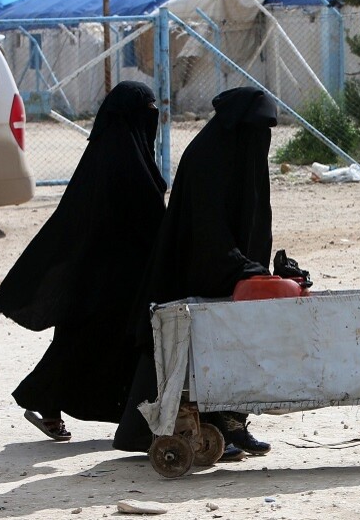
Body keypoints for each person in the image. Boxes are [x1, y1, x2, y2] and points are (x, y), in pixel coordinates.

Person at [0, 81, 167, 441]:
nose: (152, 118)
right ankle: (45, 401)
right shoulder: (121, 159)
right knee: (87, 344)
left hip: (108, 275)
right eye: (146, 108)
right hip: (107, 278)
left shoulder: (109, 153)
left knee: (95, 345)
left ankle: (113, 415)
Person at [113, 86, 277, 460]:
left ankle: (232, 424)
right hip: (198, 272)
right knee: (194, 352)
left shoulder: (244, 154)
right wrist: (239, 266)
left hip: (235, 272)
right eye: (257, 130)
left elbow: (255, 222)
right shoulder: (208, 156)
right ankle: (202, 429)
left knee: (239, 346)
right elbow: (206, 231)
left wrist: (260, 270)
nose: (261, 140)